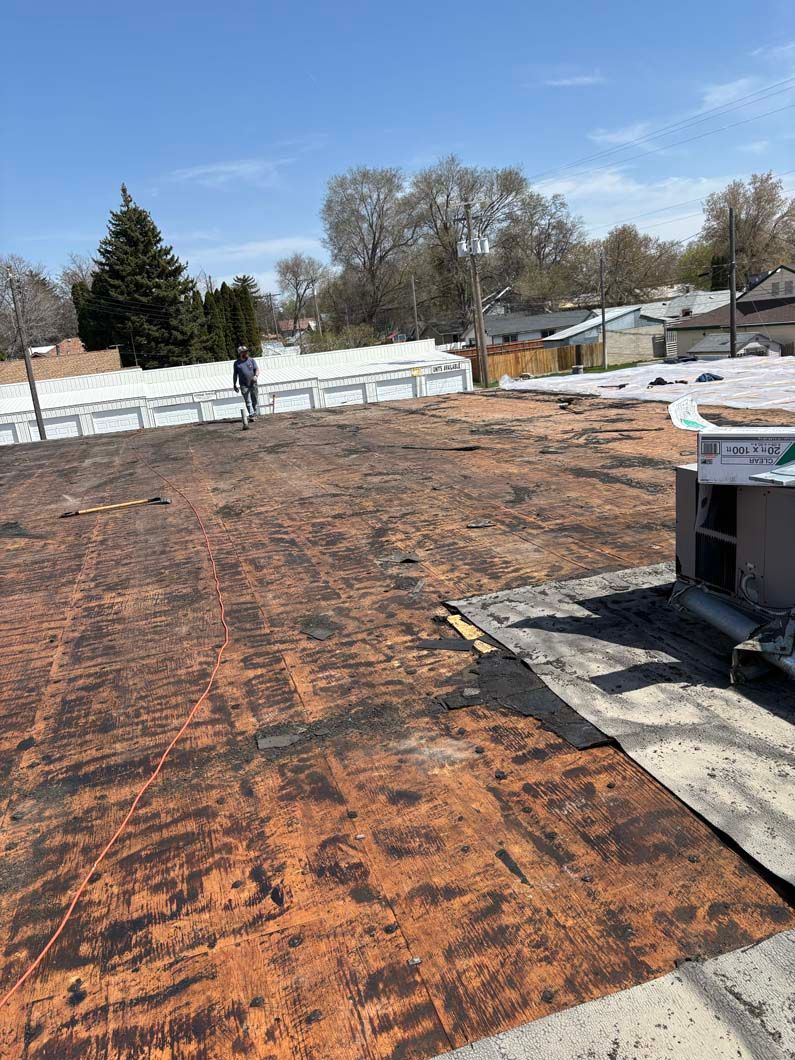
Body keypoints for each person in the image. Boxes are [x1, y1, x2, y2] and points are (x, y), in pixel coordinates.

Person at [233, 346, 259, 422]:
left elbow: (257, 369)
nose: (247, 353)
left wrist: (256, 376)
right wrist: (234, 385)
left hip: (253, 383)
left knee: (255, 399)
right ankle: (251, 414)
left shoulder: (251, 360)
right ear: (241, 353)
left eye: (247, 352)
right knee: (248, 400)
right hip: (243, 385)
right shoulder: (236, 363)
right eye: (245, 352)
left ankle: (254, 413)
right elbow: (235, 374)